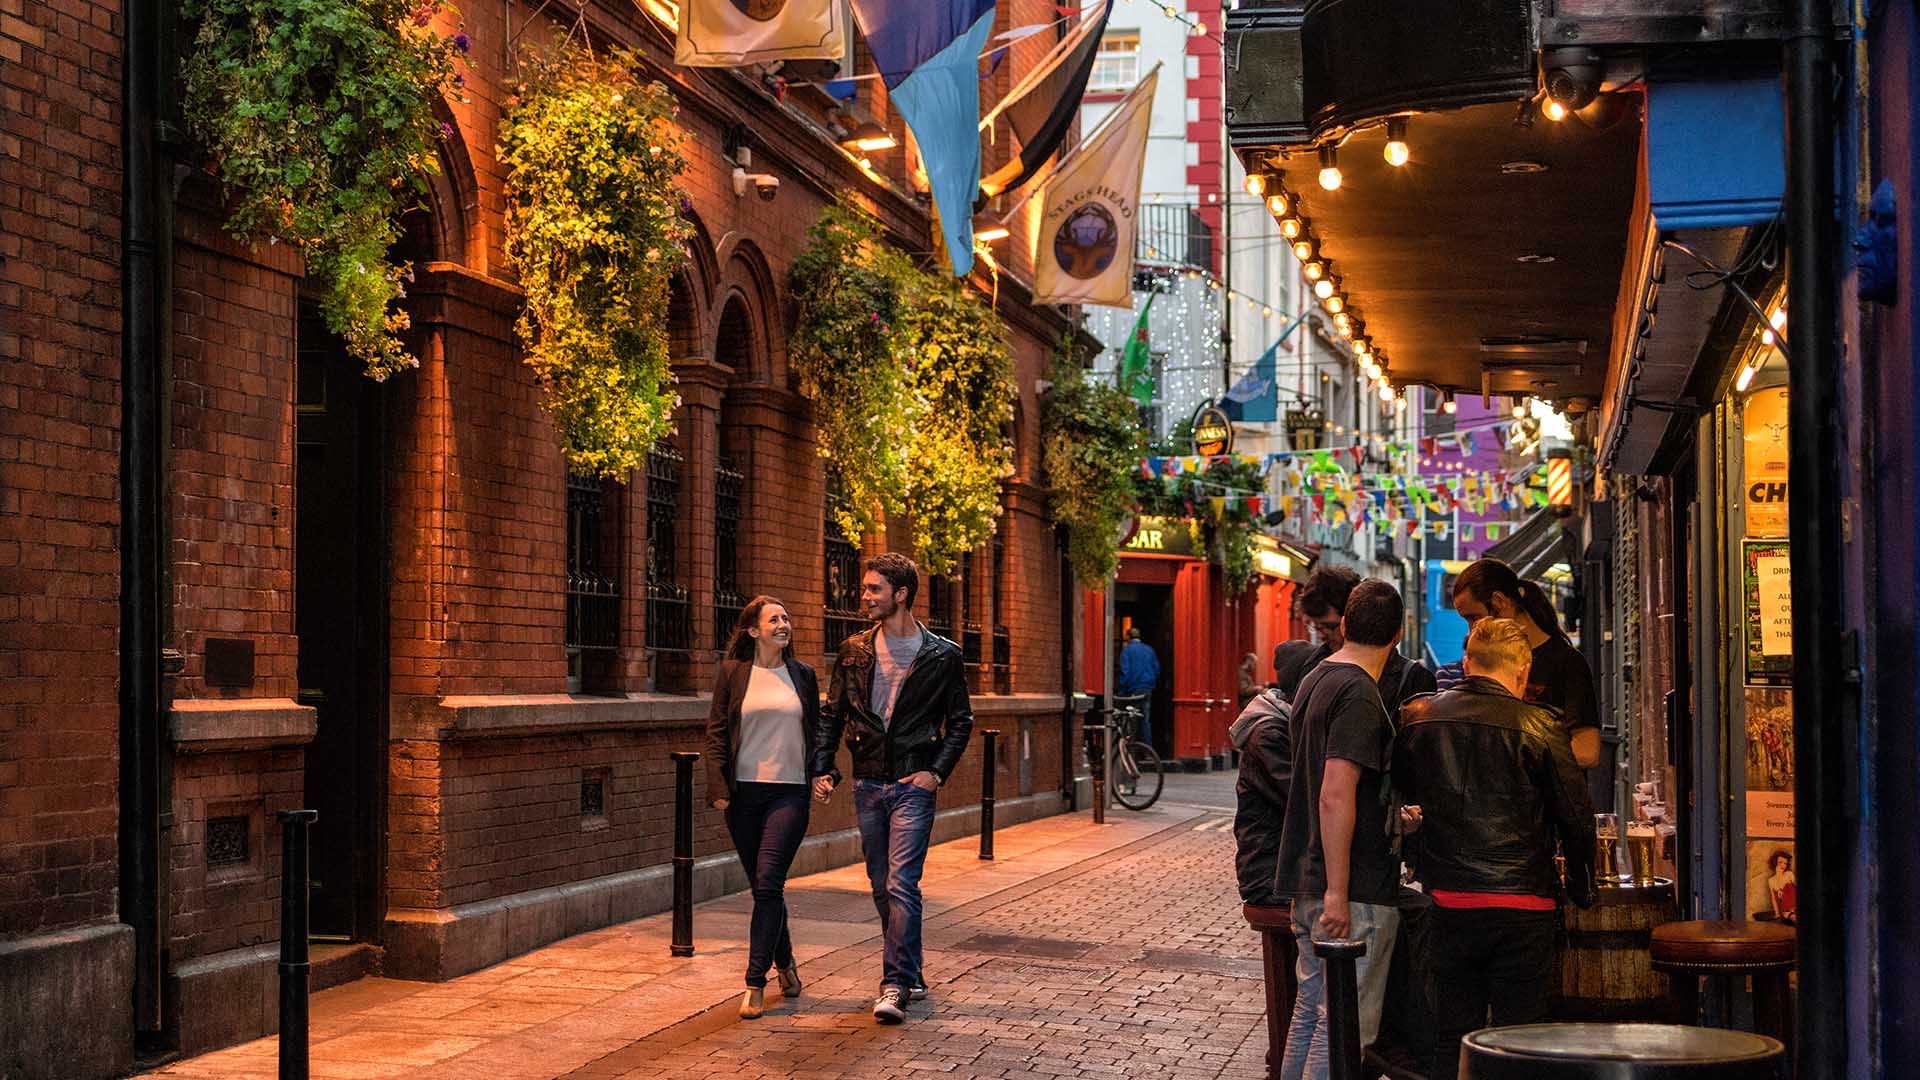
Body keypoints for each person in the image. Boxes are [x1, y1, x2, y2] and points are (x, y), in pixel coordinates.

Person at [1391, 617, 1596, 1080]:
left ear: (1467, 662)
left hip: (1447, 899)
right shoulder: (1541, 725)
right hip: (1523, 901)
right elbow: (1576, 816)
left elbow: (1401, 793)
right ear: (1522, 670)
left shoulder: (1420, 717)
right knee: (1521, 1038)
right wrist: (1583, 887)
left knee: (1452, 1034)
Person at [812, 553, 974, 1024]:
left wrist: (936, 772)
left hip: (912, 784)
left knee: (902, 882)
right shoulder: (853, 650)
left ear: (900, 595)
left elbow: (960, 721)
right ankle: (914, 971)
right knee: (883, 885)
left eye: (874, 589)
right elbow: (832, 714)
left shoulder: (942, 655)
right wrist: (825, 767)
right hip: (868, 781)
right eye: (865, 588)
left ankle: (894, 984)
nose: (864, 596)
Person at [1274, 579, 1408, 1080]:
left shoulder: (1315, 679)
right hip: (1350, 890)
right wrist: (1337, 892)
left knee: (1309, 1015)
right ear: (1399, 632)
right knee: (1344, 1031)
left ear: (1346, 625)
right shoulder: (1358, 693)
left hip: (1307, 875)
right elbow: (1334, 793)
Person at [703, 596, 825, 1019]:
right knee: (762, 889)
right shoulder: (734, 674)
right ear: (754, 630)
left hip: (789, 793)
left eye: (787, 618)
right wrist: (717, 786)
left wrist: (823, 773)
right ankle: (786, 963)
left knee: (770, 883)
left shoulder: (803, 676)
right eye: (774, 619)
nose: (784, 624)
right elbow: (717, 731)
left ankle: (755, 982)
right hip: (743, 796)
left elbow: (820, 730)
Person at [1452, 558, 1603, 768]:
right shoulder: (1483, 659)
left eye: (1474, 618)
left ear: (1499, 601)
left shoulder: (1567, 663)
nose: (1471, 630)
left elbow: (1588, 752)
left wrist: (1517, 760)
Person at [1283, 564, 1437, 716]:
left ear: (1350, 619)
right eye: (1316, 628)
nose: (1322, 635)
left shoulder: (1413, 679)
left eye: (1329, 626)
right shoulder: (1313, 668)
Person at [1116, 627, 1161, 747]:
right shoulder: (1149, 650)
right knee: (1145, 719)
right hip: (1146, 689)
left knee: (1131, 719)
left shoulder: (1127, 651)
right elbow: (1156, 669)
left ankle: (1131, 748)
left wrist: (1121, 690)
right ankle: (1147, 749)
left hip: (1133, 688)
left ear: (1128, 637)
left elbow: (1124, 671)